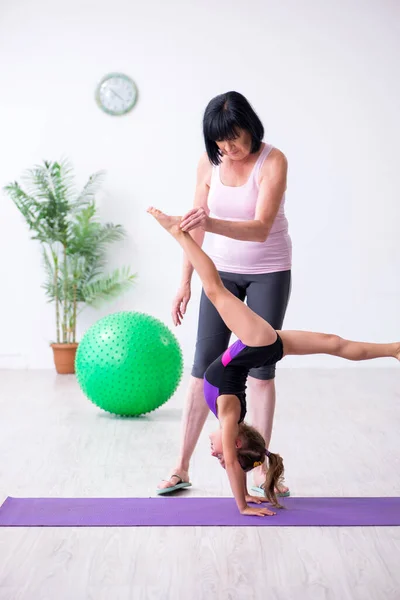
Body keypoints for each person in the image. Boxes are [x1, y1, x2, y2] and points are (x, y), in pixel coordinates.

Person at [148, 206, 400, 517]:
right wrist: (242, 505)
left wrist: (248, 495)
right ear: (237, 442)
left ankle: (393, 349)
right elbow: (230, 457)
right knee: (214, 289)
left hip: (268, 347)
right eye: (221, 455)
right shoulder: (229, 416)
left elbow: (233, 459)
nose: (215, 454)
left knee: (335, 344)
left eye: (218, 457)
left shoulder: (233, 420)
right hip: (257, 342)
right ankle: (179, 234)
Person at [157, 91, 293, 497]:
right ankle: (181, 467)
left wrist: (212, 223)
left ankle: (261, 468)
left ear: (250, 127)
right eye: (220, 143)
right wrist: (185, 280)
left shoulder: (273, 161)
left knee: (261, 370)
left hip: (268, 271)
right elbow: (194, 228)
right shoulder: (209, 164)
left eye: (234, 139)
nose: (228, 149)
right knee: (202, 369)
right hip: (219, 274)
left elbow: (261, 227)